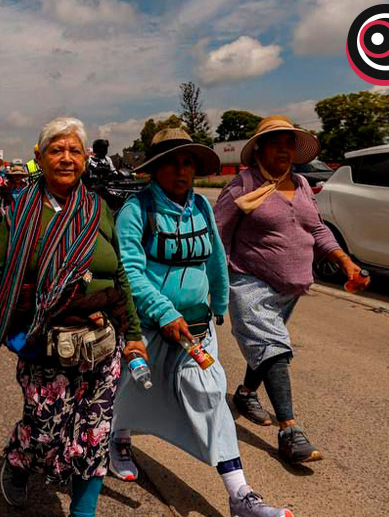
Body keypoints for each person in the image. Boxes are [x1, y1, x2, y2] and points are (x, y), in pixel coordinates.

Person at [0, 118, 144, 517]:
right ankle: (20, 460)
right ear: (39, 157)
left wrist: (133, 334)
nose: (67, 158)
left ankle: (83, 511)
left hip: (100, 343)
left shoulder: (98, 208)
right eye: (56, 150)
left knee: (94, 431)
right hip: (44, 341)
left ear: (86, 158)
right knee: (46, 427)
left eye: (75, 150)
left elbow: (121, 272)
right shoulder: (20, 211)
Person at [110, 128, 293, 517]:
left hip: (196, 328)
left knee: (211, 395)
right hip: (146, 327)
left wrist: (220, 299)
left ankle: (240, 493)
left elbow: (214, 257)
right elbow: (130, 272)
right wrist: (163, 312)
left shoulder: (201, 206)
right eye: (171, 163)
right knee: (130, 388)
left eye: (188, 162)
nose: (181, 171)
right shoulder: (135, 211)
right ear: (155, 169)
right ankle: (119, 439)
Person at [214, 116, 362, 465]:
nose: (284, 149)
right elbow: (217, 236)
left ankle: (246, 393)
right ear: (260, 149)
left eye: (289, 143)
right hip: (249, 281)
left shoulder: (301, 184)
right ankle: (289, 431)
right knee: (274, 347)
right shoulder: (242, 185)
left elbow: (318, 229)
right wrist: (218, 289)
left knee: (267, 345)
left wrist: (344, 260)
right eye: (276, 142)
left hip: (291, 285)